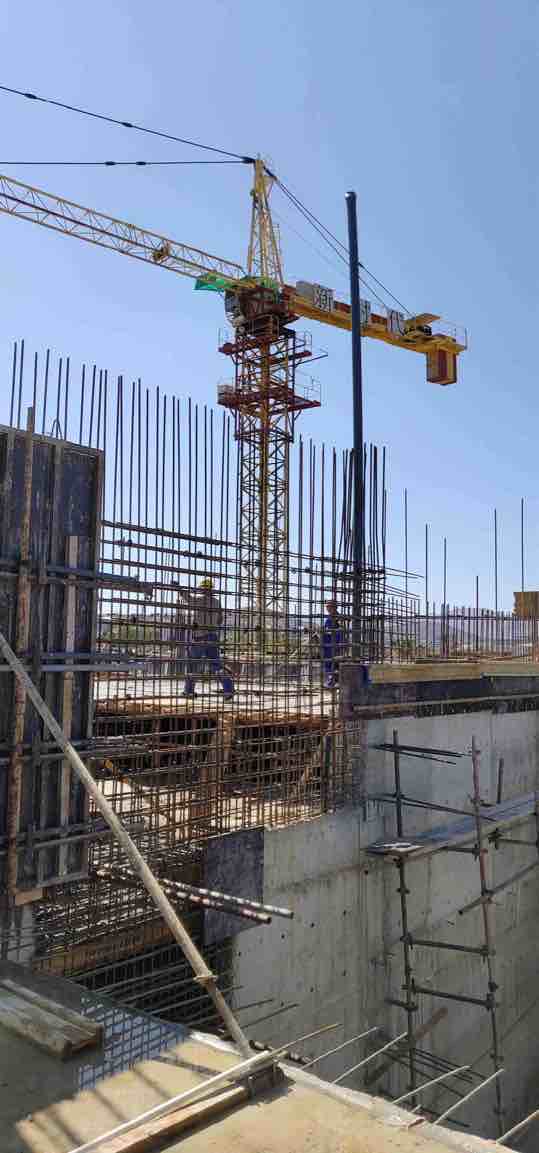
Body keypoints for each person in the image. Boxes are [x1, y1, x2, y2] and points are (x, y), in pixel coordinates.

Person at [179, 578, 234, 699]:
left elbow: (187, 598)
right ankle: (228, 690)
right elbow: (220, 620)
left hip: (199, 637)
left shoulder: (198, 600)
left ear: (201, 589)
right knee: (216, 665)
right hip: (213, 637)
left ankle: (188, 692)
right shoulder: (217, 602)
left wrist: (179, 589)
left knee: (192, 664)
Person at [321, 599, 346, 689]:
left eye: (330, 606)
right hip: (328, 645)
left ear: (335, 607)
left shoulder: (337, 618)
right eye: (327, 606)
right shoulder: (328, 618)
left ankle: (334, 681)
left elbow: (341, 631)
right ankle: (332, 681)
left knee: (335, 663)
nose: (328, 608)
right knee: (329, 663)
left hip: (335, 644)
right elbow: (325, 629)